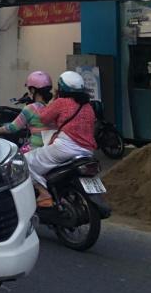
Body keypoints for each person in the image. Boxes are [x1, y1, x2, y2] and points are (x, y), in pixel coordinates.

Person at [23, 70, 97, 207]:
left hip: (66, 148)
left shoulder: (61, 102)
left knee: (24, 162)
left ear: (61, 87)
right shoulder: (88, 106)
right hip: (87, 151)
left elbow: (43, 118)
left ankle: (44, 194)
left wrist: (50, 101)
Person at [0, 71, 53, 150]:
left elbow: (12, 128)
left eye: (29, 89)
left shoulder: (31, 108)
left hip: (35, 148)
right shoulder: (52, 106)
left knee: (15, 156)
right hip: (49, 149)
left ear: (33, 90)